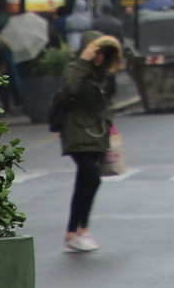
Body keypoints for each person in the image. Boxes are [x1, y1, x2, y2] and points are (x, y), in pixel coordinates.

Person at [48, 36, 122, 253]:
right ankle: (82, 230)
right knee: (92, 179)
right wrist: (82, 61)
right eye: (96, 53)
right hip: (77, 131)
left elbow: (104, 104)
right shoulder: (75, 68)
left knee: (84, 182)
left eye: (103, 54)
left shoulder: (102, 75)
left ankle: (74, 233)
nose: (99, 58)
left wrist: (109, 126)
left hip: (97, 133)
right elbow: (71, 89)